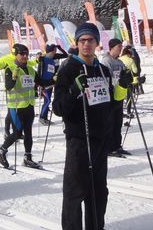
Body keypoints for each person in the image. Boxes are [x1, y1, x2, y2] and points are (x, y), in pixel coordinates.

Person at [53, 22, 130, 230]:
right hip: (79, 140)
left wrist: (122, 87)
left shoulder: (102, 69)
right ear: (77, 43)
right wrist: (73, 90)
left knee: (98, 192)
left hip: (100, 140)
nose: (86, 44)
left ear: (97, 43)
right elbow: (58, 108)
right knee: (75, 192)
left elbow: (111, 104)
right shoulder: (68, 68)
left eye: (90, 40)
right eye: (82, 40)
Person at [0, 43, 51, 169]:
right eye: (22, 54)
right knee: (17, 133)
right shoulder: (10, 68)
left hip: (29, 105)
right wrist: (14, 76)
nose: (25, 56)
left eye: (26, 54)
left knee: (29, 132)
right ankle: (2, 150)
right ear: (16, 54)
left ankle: (27, 158)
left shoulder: (31, 70)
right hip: (16, 106)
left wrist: (57, 78)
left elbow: (43, 83)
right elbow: (8, 87)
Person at [101, 38, 131, 157]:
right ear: (112, 48)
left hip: (119, 95)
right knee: (110, 122)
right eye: (118, 47)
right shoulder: (106, 61)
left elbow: (125, 73)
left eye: (121, 47)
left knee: (118, 122)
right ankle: (109, 147)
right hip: (109, 95)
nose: (120, 49)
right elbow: (106, 78)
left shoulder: (119, 62)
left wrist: (130, 78)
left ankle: (117, 145)